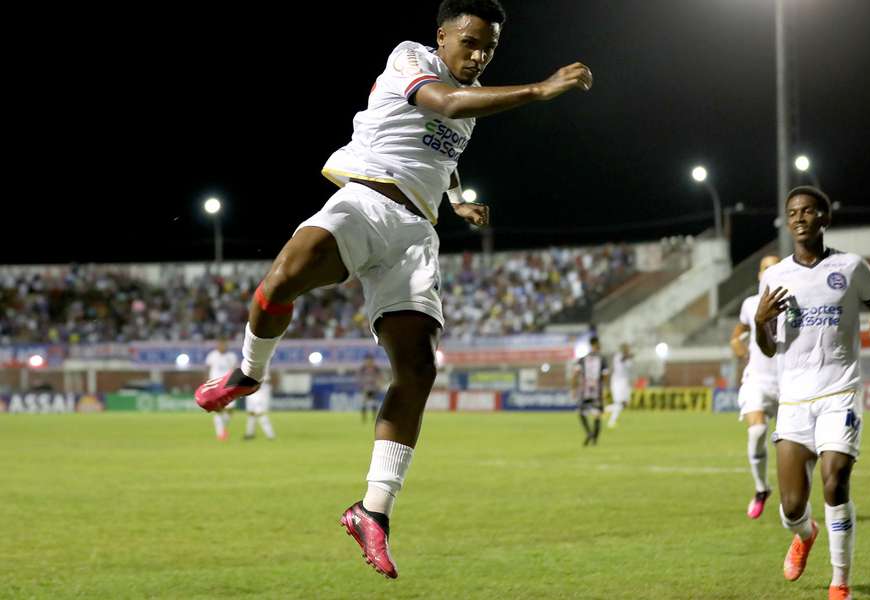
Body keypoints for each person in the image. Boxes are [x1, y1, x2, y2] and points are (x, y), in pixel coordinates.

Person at [194, 0, 592, 579]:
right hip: (364, 203)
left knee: (419, 368)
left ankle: (373, 511)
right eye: (471, 42)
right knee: (286, 272)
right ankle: (248, 372)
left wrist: (457, 201)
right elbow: (445, 104)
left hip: (414, 238)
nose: (479, 54)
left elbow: (442, 147)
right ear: (442, 38)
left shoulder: (469, 112)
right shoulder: (410, 59)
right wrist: (540, 89)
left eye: (490, 47)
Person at [754, 186, 870, 600]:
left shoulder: (852, 267)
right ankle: (805, 533)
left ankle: (840, 583)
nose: (798, 218)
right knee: (792, 507)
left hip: (840, 392)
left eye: (807, 211)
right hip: (794, 399)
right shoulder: (775, 276)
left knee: (835, 482)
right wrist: (762, 322)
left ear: (824, 218)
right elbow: (767, 347)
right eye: (792, 212)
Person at [730, 255, 780, 519]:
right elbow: (737, 335)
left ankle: (795, 501)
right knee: (758, 430)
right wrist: (739, 347)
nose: (771, 272)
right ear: (759, 276)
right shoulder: (750, 304)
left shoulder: (796, 303)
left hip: (789, 383)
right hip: (757, 380)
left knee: (793, 448)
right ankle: (762, 489)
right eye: (766, 268)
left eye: (776, 267)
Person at [572, 336, 608, 446]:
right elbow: (605, 375)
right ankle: (594, 440)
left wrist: (574, 388)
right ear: (597, 344)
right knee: (597, 414)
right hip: (597, 391)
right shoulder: (602, 359)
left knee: (581, 413)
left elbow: (575, 374)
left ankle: (589, 432)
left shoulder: (583, 359)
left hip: (585, 391)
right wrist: (606, 389)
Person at [203, 339, 239, 441]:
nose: (222, 347)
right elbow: (207, 368)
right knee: (218, 410)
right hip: (216, 386)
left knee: (230, 410)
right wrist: (207, 383)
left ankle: (223, 428)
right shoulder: (212, 355)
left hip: (228, 385)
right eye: (221, 345)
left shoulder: (232, 356)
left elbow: (235, 369)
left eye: (224, 345)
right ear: (217, 345)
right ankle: (220, 434)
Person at [607, 342, 633, 428]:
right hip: (617, 381)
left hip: (625, 382)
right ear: (623, 349)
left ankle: (603, 410)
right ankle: (611, 422)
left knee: (625, 403)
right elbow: (622, 359)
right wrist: (629, 355)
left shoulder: (628, 359)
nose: (628, 349)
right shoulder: (618, 356)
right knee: (618, 403)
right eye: (626, 348)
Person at [244, 373, 275, 440]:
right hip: (251, 391)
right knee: (251, 414)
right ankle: (249, 434)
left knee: (260, 414)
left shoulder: (263, 366)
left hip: (260, 392)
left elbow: (266, 380)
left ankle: (270, 435)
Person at [358, 354, 384, 423]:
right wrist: (361, 385)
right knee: (364, 403)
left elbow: (381, 377)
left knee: (374, 403)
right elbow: (359, 377)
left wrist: (379, 384)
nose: (369, 362)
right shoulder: (363, 368)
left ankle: (374, 418)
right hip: (365, 389)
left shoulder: (376, 368)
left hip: (374, 388)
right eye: (367, 360)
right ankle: (364, 418)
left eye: (370, 360)